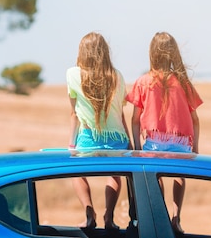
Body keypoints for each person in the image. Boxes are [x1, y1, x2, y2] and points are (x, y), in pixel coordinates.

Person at [127, 31, 202, 234]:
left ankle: (160, 217)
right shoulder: (184, 83)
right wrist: (195, 147)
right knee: (179, 176)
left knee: (155, 177)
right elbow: (195, 120)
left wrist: (136, 147)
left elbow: (135, 120)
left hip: (154, 142)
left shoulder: (144, 82)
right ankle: (176, 216)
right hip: (181, 143)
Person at [66, 32, 132, 230]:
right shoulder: (117, 75)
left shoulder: (72, 74)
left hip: (88, 138)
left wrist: (71, 144)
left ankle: (89, 214)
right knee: (115, 174)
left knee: (76, 172)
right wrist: (129, 141)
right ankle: (109, 217)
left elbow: (73, 114)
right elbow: (120, 114)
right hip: (117, 138)